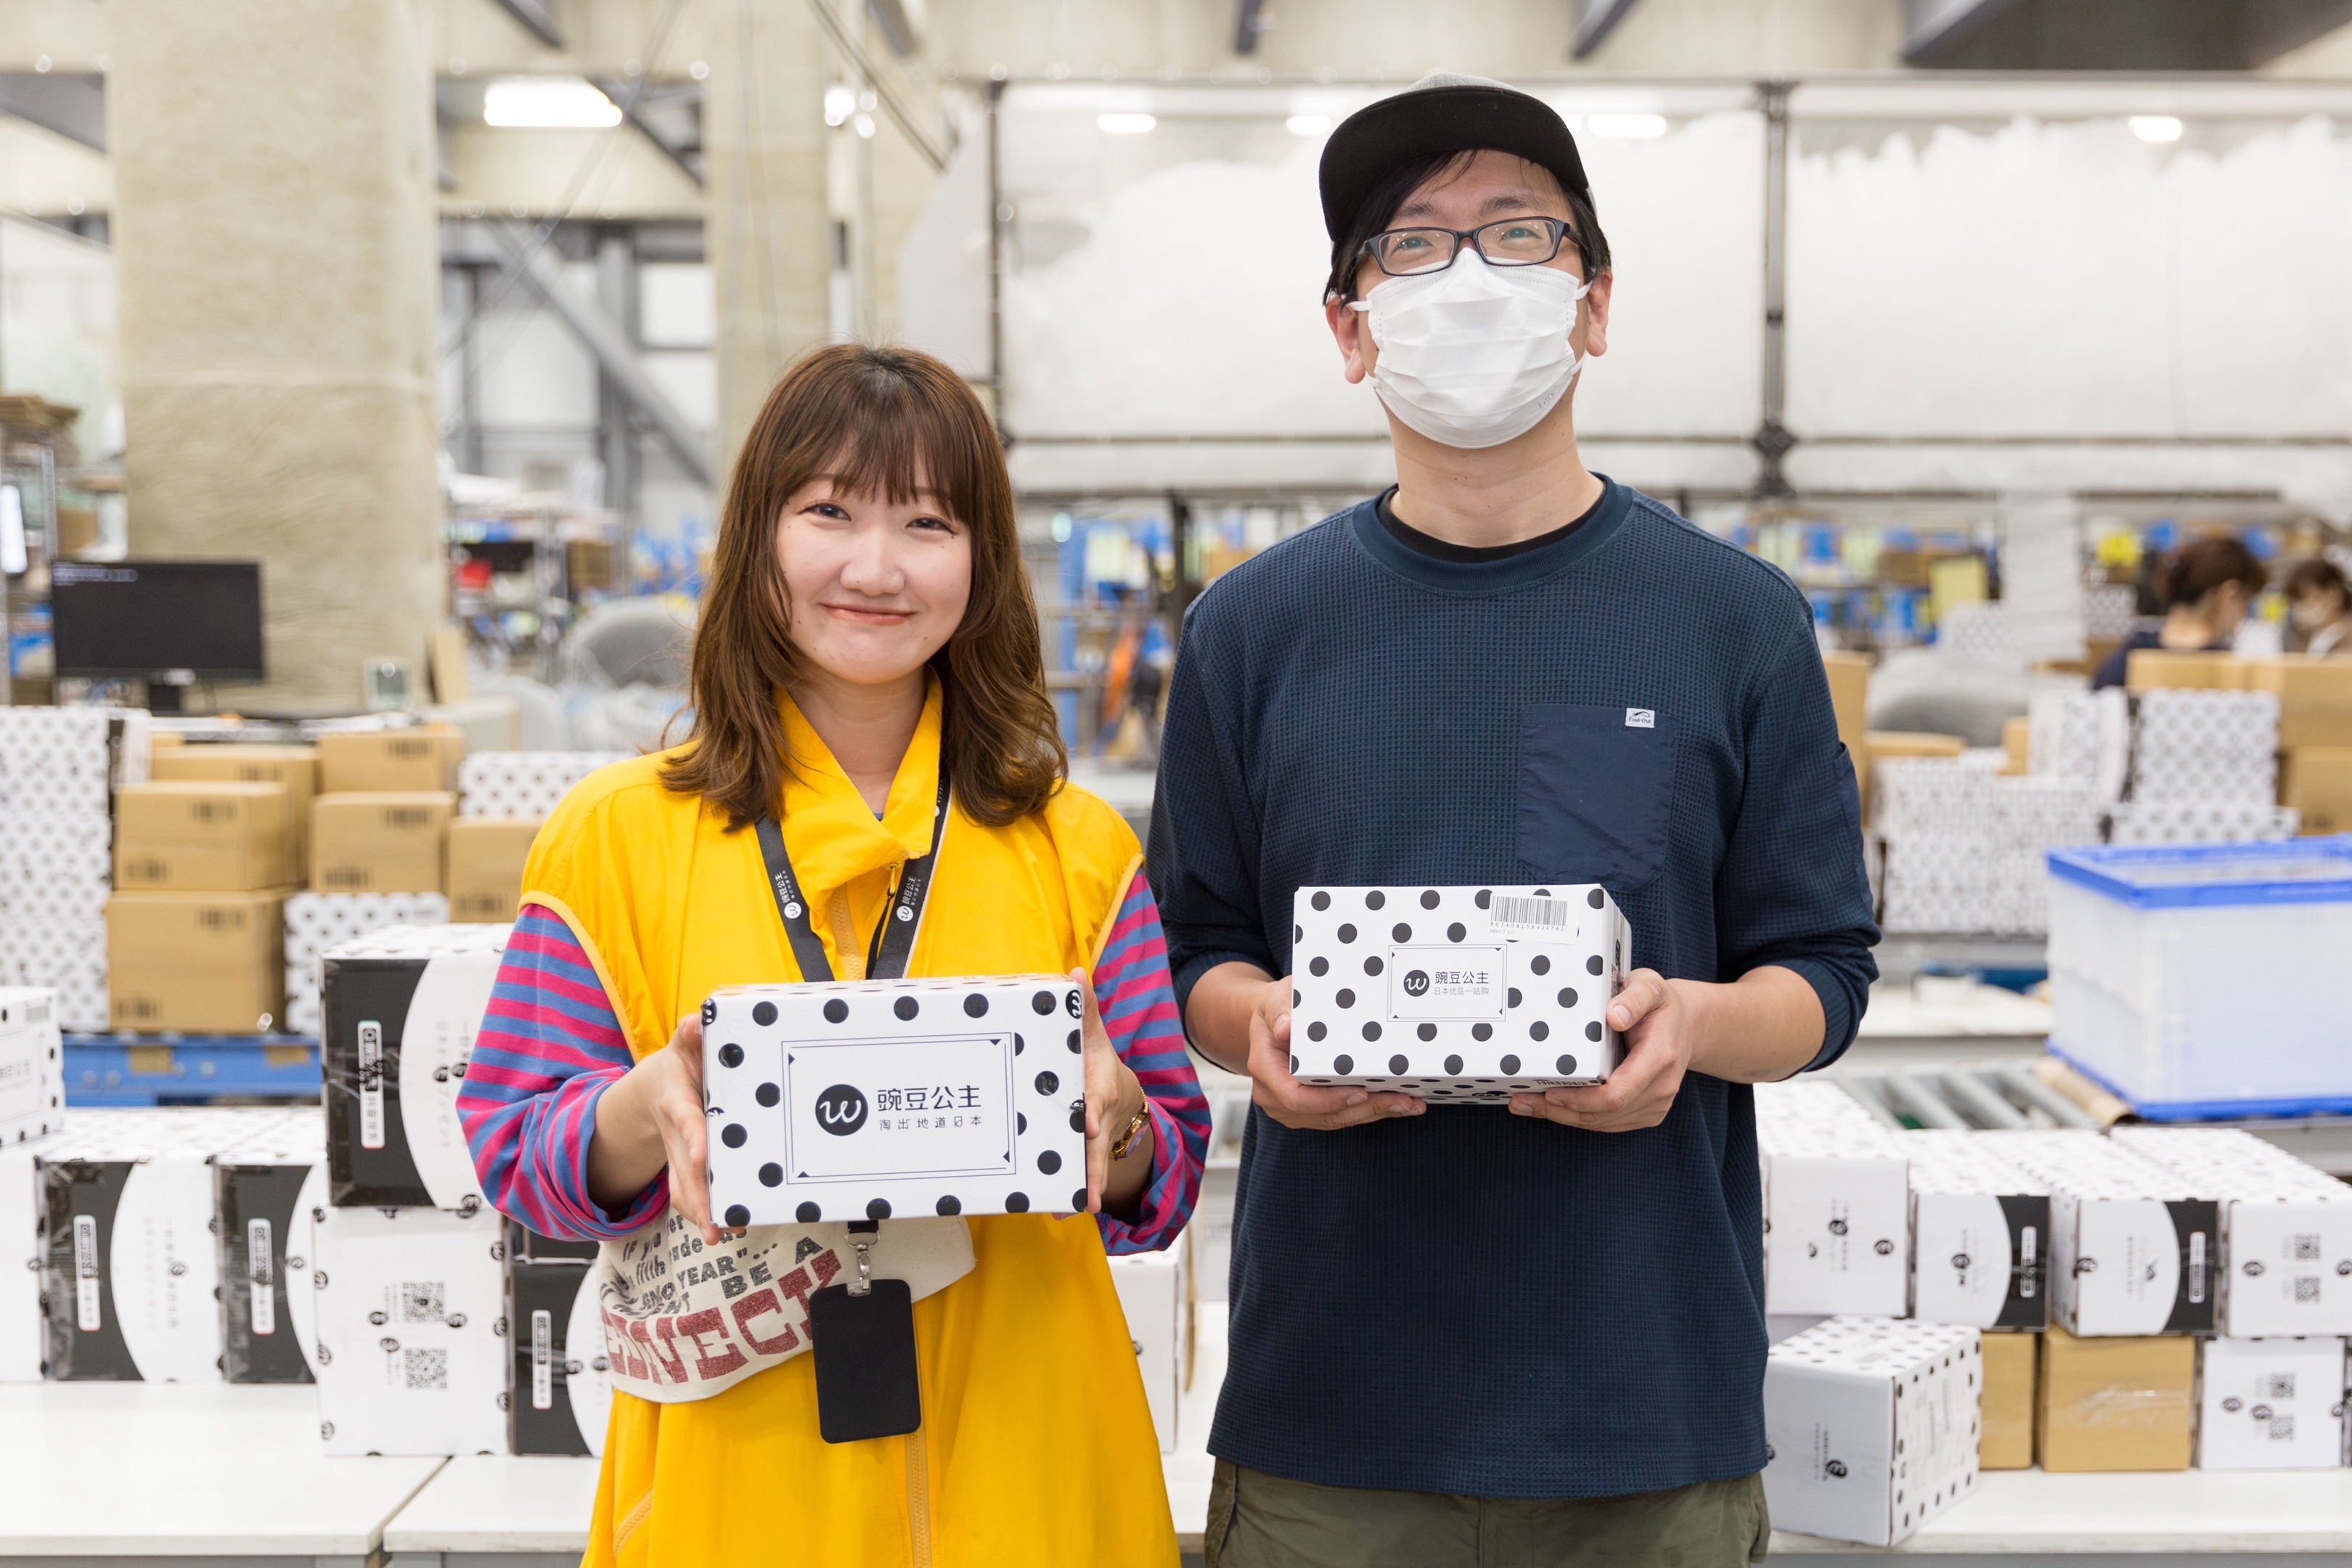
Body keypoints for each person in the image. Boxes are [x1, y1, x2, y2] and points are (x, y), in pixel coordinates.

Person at [1147, 74, 1878, 1567]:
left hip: (1643, 1410)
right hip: (1333, 1411)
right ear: (1351, 329)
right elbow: (1189, 952)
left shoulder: (1733, 621)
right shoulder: (1250, 631)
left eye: (1518, 234)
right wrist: (1257, 1025)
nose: (1470, 278)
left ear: (1593, 305)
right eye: (1414, 244)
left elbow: (1824, 973)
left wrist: (1690, 1024)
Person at [458, 343, 1209, 1567]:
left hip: (1034, 1476)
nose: (875, 567)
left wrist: (1117, 1122)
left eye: (928, 522)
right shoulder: (614, 838)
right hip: (733, 1498)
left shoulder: (1075, 847)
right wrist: (644, 1110)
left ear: (983, 561)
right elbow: (514, 1152)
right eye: (829, 513)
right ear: (759, 536)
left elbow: (1164, 1182)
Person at [2091, 536, 2268, 687]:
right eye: (2246, 603)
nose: (2244, 616)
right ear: (2229, 595)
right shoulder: (2230, 674)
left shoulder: (2121, 663)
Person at [2285, 558, 2352, 658]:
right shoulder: (2314, 637)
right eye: (2299, 601)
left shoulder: (2347, 639)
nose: (2303, 608)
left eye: (2310, 598)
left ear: (2334, 595)